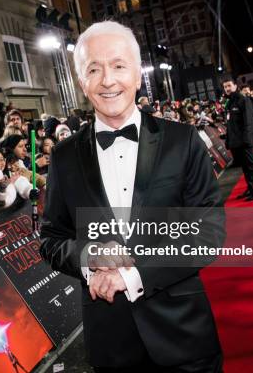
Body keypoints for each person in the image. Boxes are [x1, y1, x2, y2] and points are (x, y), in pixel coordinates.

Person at [39, 21, 223, 371]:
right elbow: (51, 239)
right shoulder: (63, 157)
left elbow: (208, 231)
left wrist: (130, 275)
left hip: (183, 334)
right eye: (94, 69)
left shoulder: (182, 141)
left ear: (139, 75)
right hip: (111, 342)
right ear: (82, 83)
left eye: (119, 65)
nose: (108, 80)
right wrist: (89, 254)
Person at [223, 79, 253, 200]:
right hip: (236, 142)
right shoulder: (230, 103)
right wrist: (228, 141)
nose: (227, 88)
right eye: (225, 87)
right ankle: (251, 188)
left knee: (251, 165)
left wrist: (248, 140)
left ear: (235, 86)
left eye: (229, 86)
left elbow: (249, 122)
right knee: (245, 167)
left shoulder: (243, 100)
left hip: (245, 141)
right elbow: (230, 124)